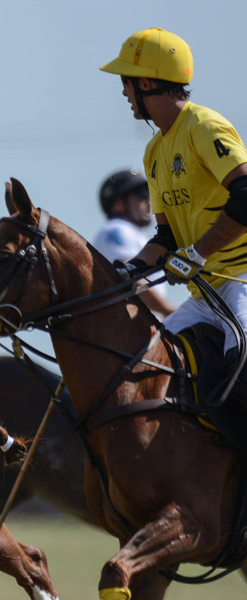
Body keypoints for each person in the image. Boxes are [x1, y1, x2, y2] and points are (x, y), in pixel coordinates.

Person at [101, 30, 247, 396]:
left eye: (126, 82)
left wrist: (196, 253)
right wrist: (125, 272)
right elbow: (166, 239)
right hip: (204, 297)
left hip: (243, 282)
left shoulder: (203, 126)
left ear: (146, 83)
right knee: (138, 370)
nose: (123, 92)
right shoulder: (154, 151)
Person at [92, 168, 176, 318]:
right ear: (118, 204)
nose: (149, 200)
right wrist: (168, 310)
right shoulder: (117, 229)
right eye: (142, 194)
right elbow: (130, 278)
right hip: (129, 333)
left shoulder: (133, 233)